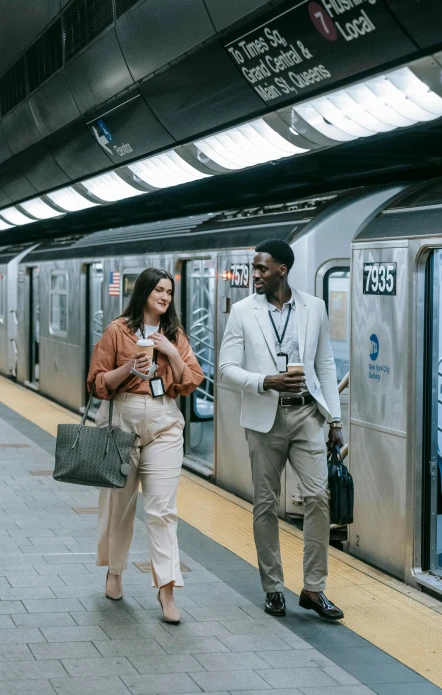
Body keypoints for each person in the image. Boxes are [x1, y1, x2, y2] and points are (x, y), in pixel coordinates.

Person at [219, 239, 344, 621]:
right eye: (254, 268)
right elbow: (225, 368)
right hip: (264, 420)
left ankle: (313, 588)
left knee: (319, 498)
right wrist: (265, 382)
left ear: (282, 270)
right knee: (266, 504)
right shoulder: (242, 312)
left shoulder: (314, 308)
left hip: (307, 415)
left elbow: (325, 364)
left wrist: (334, 420)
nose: (254, 275)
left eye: (261, 269)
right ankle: (273, 587)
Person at [87, 267, 204, 624]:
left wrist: (171, 352)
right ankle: (115, 572)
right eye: (159, 290)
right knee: (119, 505)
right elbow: (96, 383)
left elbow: (190, 382)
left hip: (165, 421)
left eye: (169, 292)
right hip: (122, 419)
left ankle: (166, 590)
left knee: (162, 510)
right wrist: (129, 369)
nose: (165, 297)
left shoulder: (175, 335)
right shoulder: (117, 330)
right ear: (144, 293)